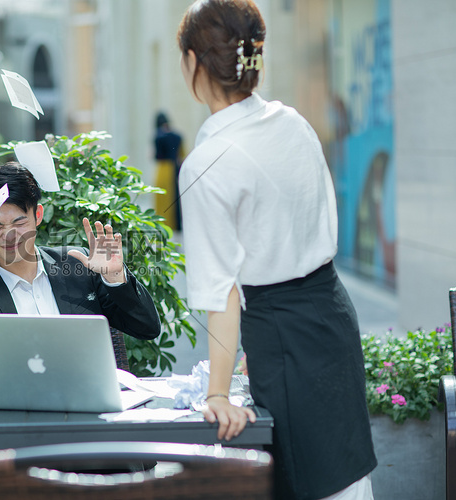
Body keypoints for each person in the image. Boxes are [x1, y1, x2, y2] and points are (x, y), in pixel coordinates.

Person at [175, 1, 377, 499]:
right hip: (331, 313)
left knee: (308, 482)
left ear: (194, 63)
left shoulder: (207, 163)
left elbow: (220, 292)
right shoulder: (292, 122)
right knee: (347, 480)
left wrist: (217, 394)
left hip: (283, 333)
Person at [0, 162, 161, 382]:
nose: (9, 235)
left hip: (90, 404)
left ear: (38, 214)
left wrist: (114, 277)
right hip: (17, 409)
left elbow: (147, 327)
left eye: (19, 221)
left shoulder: (79, 266)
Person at [153, 112, 184, 230]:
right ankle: (176, 225)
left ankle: (163, 225)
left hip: (163, 168)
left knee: (162, 198)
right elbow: (182, 154)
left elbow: (156, 156)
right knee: (175, 196)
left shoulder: (158, 136)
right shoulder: (178, 135)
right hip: (175, 167)